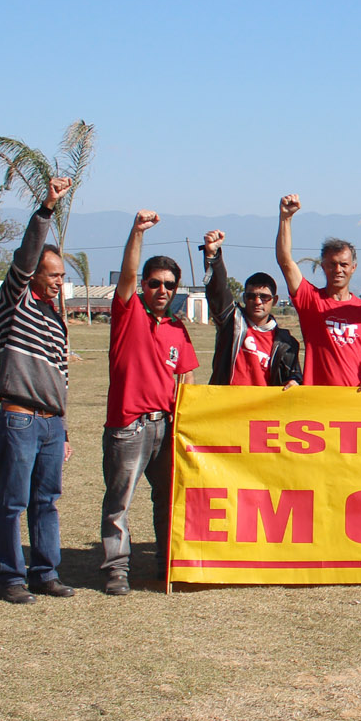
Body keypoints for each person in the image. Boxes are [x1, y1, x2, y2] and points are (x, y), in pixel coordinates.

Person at [100, 210, 200, 596]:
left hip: (165, 426)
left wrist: (183, 420)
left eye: (169, 285)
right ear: (143, 285)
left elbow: (187, 377)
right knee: (120, 502)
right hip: (128, 425)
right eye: (155, 283)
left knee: (167, 500)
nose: (162, 290)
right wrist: (137, 232)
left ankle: (166, 563)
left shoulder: (177, 328)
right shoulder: (128, 313)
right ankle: (116, 570)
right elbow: (126, 274)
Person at [0, 177, 75, 603]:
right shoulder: (15, 301)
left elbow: (61, 377)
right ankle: (11, 577)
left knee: (47, 500)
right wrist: (47, 209)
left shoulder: (55, 318)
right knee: (13, 502)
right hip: (19, 419)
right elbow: (25, 255)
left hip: (50, 424)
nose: (59, 281)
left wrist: (64, 430)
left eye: (62, 275)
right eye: (52, 274)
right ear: (33, 275)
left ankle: (45, 572)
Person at [275, 194, 361, 388]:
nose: (338, 270)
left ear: (353, 268)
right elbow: (285, 262)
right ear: (323, 266)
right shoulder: (310, 300)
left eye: (344, 264)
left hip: (354, 397)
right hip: (317, 397)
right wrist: (286, 218)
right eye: (332, 264)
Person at [200, 230, 303, 387]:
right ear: (244, 298)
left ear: (274, 300)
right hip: (226, 401)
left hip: (264, 403)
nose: (257, 301)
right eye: (251, 296)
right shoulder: (231, 322)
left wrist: (294, 381)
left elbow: (295, 375)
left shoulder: (285, 342)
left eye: (264, 297)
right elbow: (217, 290)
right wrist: (213, 256)